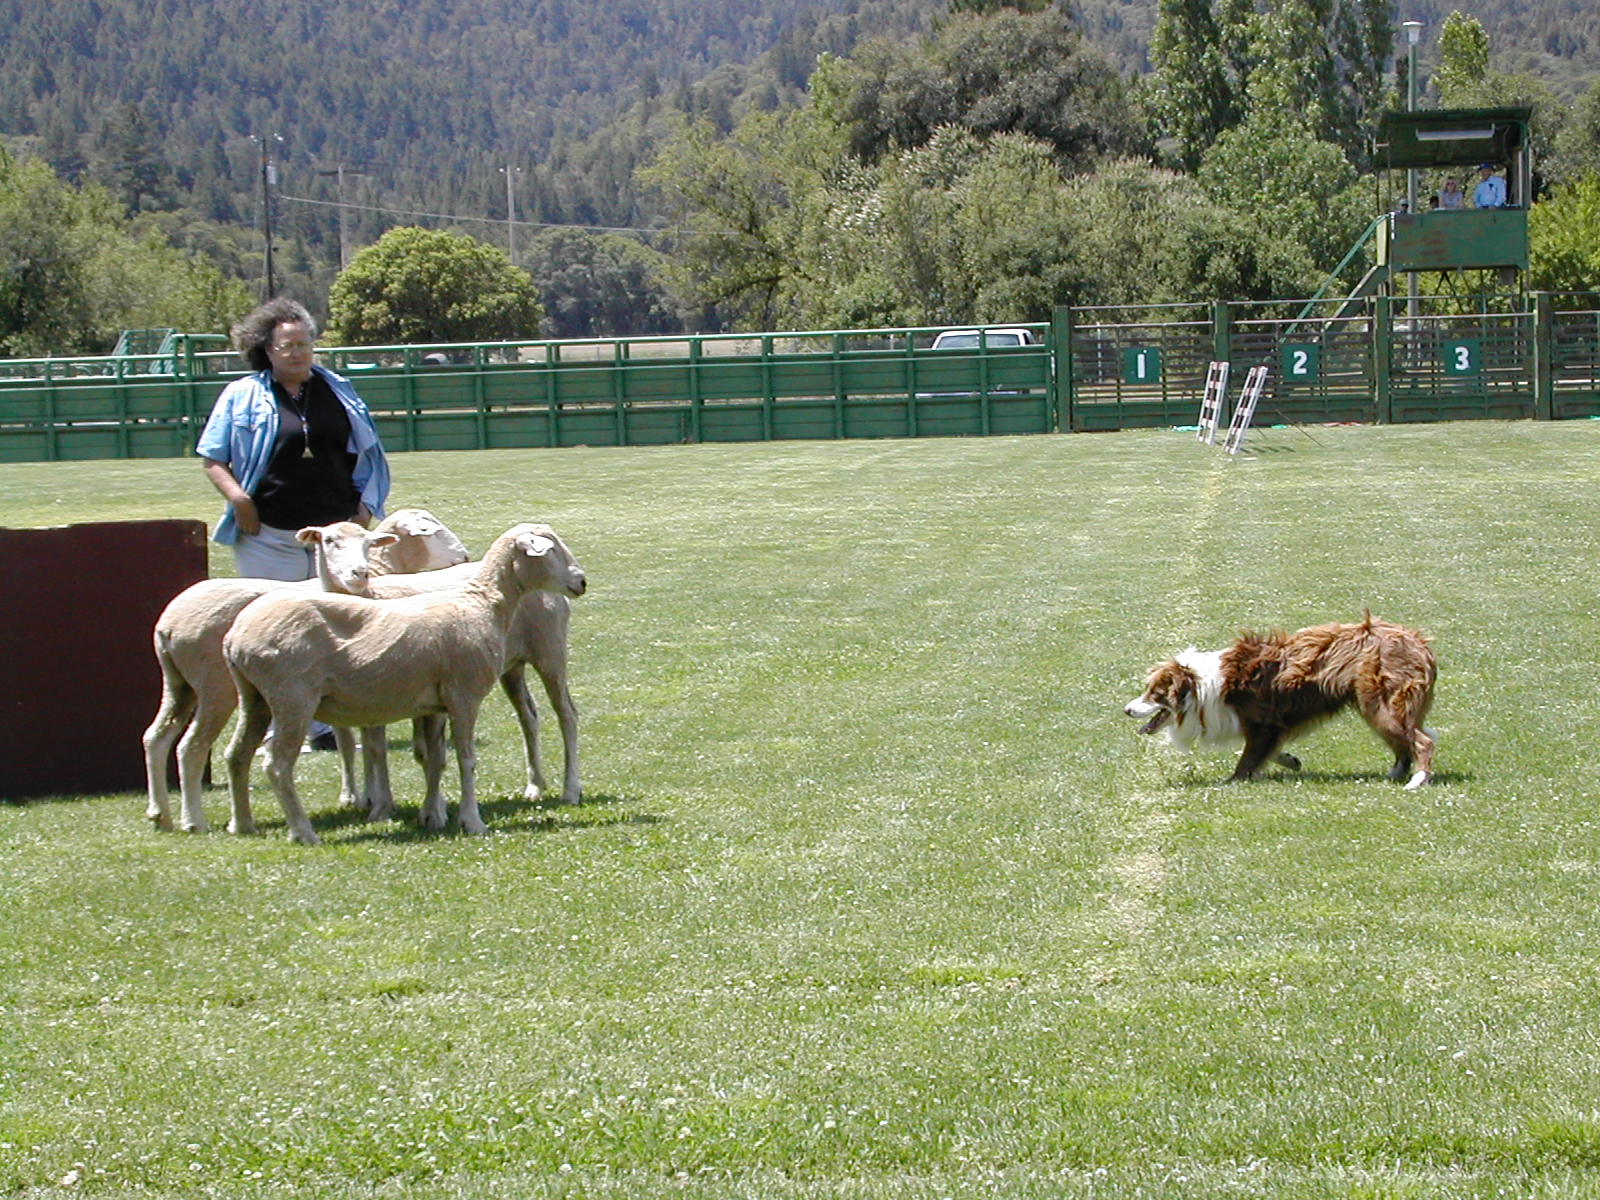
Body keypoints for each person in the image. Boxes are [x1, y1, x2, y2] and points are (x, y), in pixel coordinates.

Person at [196, 297, 390, 747]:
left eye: (306, 344)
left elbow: (366, 451)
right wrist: (240, 499)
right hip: (269, 534)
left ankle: (336, 725)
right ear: (267, 349)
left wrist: (364, 507)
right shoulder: (242, 395)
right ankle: (281, 726)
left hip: (336, 537)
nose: (299, 353)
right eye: (288, 346)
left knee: (344, 624)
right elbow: (212, 458)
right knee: (279, 630)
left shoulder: (338, 389)